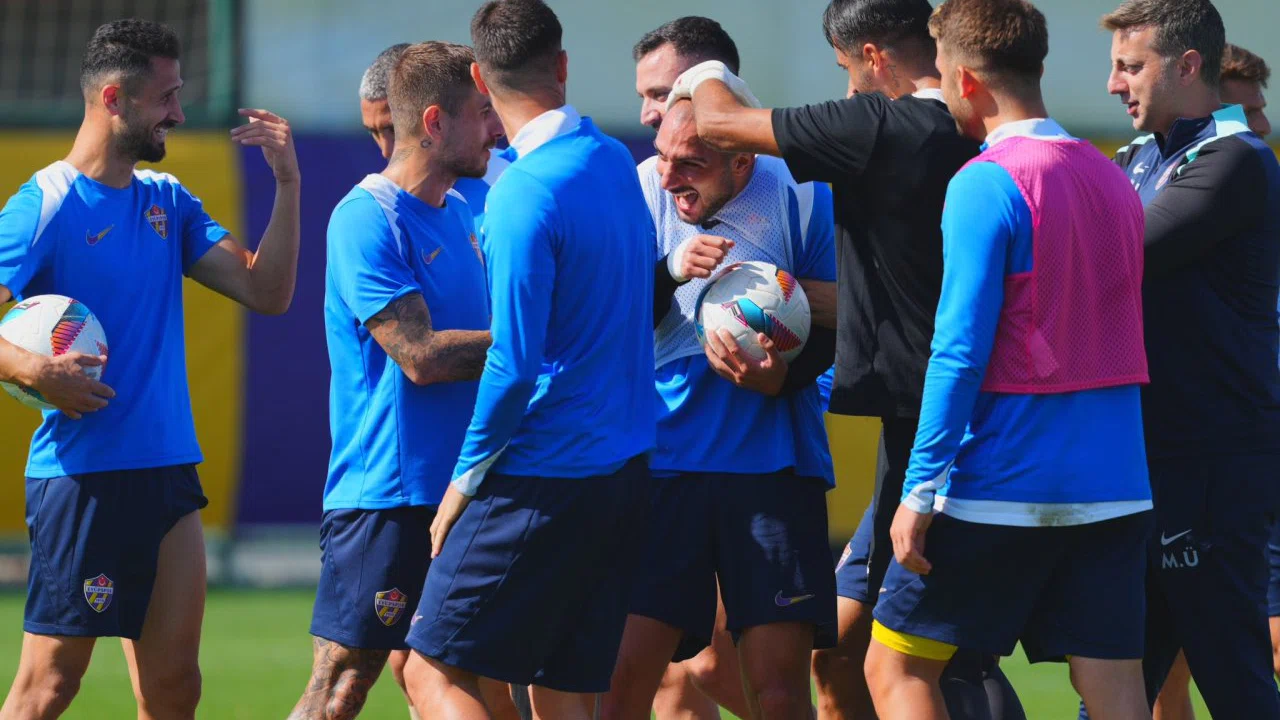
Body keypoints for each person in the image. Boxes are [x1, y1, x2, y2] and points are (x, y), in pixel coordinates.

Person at [667, 1, 1025, 717]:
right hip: (938, 417)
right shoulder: (969, 133)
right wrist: (783, 311)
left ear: (872, 57)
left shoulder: (881, 125)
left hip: (939, 422)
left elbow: (719, 120)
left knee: (935, 657)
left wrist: (700, 69)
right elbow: (889, 295)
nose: (847, 88)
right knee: (843, 651)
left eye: (845, 69)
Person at [0, 19, 300, 719]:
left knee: (174, 688)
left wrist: (287, 181)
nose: (180, 113)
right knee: (50, 686)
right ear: (114, 98)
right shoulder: (44, 203)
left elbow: (267, 292)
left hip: (168, 473)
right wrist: (34, 370)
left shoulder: (168, 199)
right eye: (166, 97)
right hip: (83, 479)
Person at [863, 1, 1154, 719]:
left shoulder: (984, 181)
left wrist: (920, 487)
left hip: (1000, 481)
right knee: (1115, 687)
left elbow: (958, 350)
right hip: (1117, 481)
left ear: (965, 80)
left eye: (941, 75)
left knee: (895, 669)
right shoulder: (1114, 178)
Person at [400, 2, 656, 719]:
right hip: (623, 474)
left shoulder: (522, 196)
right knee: (561, 690)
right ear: (563, 64)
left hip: (545, 475)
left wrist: (463, 480)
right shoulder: (613, 159)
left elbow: (513, 364)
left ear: (481, 81)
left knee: (430, 674)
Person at [286, 42, 506, 720]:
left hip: (470, 488)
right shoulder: (367, 216)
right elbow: (420, 356)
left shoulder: (468, 210)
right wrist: (543, 345)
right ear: (436, 122)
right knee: (342, 687)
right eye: (482, 113)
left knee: (477, 679)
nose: (495, 127)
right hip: (388, 494)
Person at [602, 91, 839, 719]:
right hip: (660, 471)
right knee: (621, 685)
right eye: (663, 157)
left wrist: (780, 380)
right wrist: (668, 271)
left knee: (780, 692)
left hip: (773, 475)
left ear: (741, 159)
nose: (669, 176)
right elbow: (608, 324)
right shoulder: (638, 190)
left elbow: (840, 323)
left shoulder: (803, 194)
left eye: (691, 162)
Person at [1103, 0, 1280, 715]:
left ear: (1187, 66)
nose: (1114, 84)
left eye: (1130, 66)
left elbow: (1115, 257)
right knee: (1112, 682)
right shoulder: (1136, 158)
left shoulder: (1234, 158)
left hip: (1208, 462)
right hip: (1138, 458)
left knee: (1232, 675)